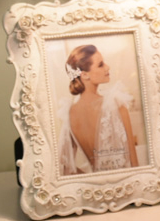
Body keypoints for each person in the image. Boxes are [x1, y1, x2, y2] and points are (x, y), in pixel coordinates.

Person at [58, 44, 139, 174]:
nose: (107, 67)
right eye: (101, 65)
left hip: (97, 185)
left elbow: (65, 167)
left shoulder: (69, 113)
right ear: (85, 74)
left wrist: (93, 179)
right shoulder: (116, 103)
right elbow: (135, 164)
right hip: (125, 182)